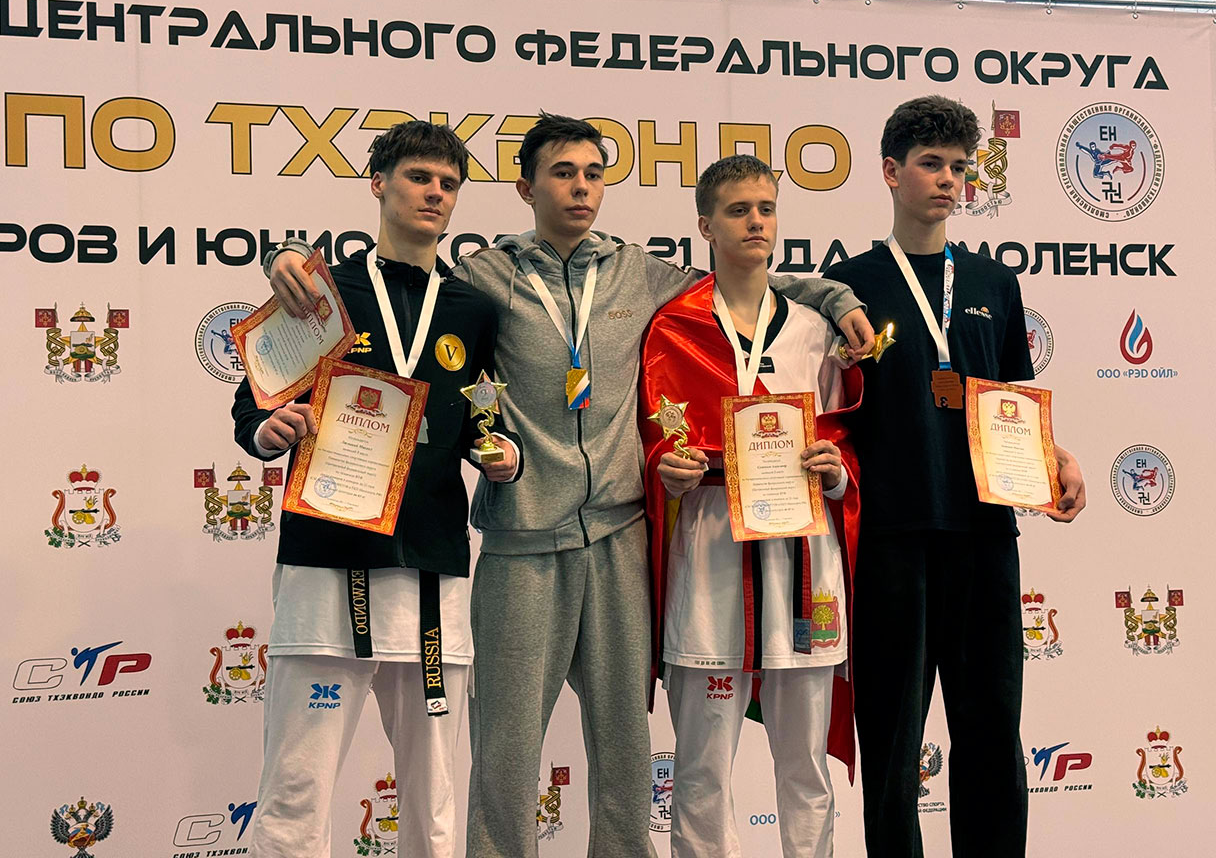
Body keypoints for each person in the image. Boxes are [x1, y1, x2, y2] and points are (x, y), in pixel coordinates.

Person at [266, 113, 874, 858]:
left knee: (624, 747)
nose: (581, 188)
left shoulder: (639, 273)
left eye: (593, 173)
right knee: (506, 746)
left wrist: (834, 296)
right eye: (563, 173)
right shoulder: (484, 277)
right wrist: (284, 256)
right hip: (521, 539)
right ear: (526, 187)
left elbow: (744, 276)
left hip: (618, 537)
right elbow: (396, 277)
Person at [232, 120, 520, 858]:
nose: (434, 193)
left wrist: (502, 454)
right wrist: (268, 430)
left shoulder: (472, 310)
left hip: (430, 568)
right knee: (296, 787)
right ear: (378, 184)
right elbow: (253, 405)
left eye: (448, 183)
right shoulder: (321, 293)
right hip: (326, 560)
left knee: (434, 796)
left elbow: (487, 414)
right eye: (419, 177)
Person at [822, 95, 1087, 858]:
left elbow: (1011, 402)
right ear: (891, 171)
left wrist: (1056, 456)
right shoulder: (846, 285)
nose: (948, 180)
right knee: (892, 741)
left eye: (960, 167)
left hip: (983, 533)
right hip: (890, 536)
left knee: (991, 730)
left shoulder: (994, 283)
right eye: (931, 164)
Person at [639, 155, 861, 858]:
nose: (756, 222)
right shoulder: (672, 328)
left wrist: (837, 473)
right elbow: (649, 441)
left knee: (806, 768)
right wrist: (666, 472)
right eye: (738, 210)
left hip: (804, 565)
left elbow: (847, 443)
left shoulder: (816, 331)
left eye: (766, 208)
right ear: (705, 225)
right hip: (709, 563)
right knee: (702, 769)